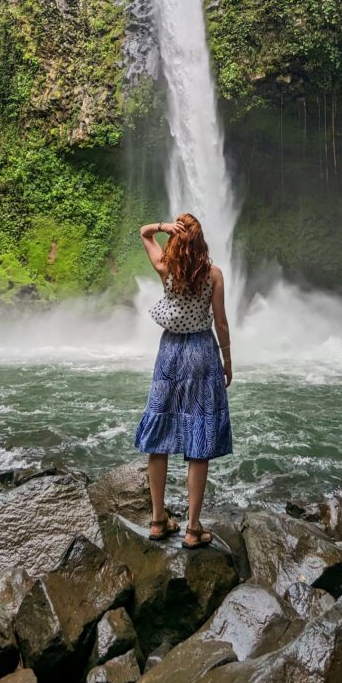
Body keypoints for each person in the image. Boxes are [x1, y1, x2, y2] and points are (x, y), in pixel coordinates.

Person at [134, 213, 233, 549]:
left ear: (177, 238)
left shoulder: (166, 267)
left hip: (171, 352)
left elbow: (143, 233)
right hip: (203, 353)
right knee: (199, 435)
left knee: (160, 431)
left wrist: (163, 227)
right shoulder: (213, 274)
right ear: (201, 240)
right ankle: (192, 529)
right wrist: (228, 360)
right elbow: (220, 322)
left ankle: (159, 520)